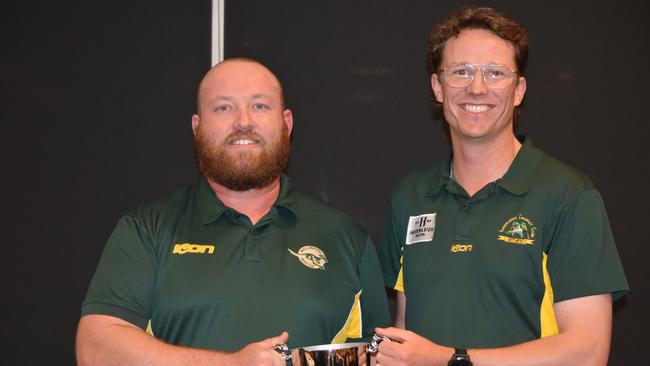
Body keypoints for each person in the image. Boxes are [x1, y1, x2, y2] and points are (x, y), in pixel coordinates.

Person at [76, 58, 389, 366]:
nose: (243, 121)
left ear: (287, 123)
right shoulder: (147, 230)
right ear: (197, 127)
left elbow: (377, 357)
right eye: (223, 107)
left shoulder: (347, 238)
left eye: (260, 106)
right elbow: (96, 349)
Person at [375, 7, 628, 366]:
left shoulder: (569, 196)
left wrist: (451, 359)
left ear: (519, 89)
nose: (477, 88)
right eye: (460, 72)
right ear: (437, 86)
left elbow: (588, 352)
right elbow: (405, 339)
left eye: (495, 73)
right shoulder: (410, 197)